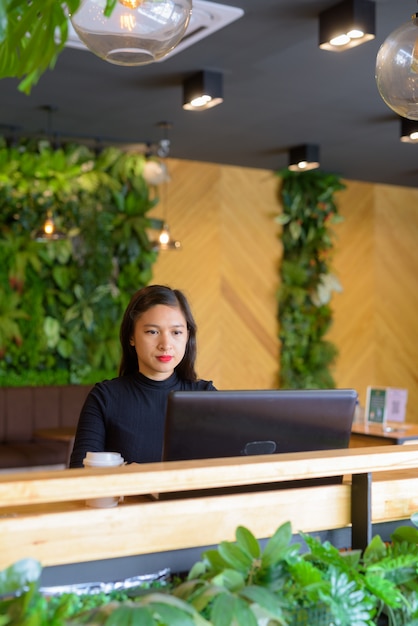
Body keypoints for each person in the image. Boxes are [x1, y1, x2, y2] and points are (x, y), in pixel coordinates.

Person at [69, 285, 216, 468]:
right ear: (131, 336)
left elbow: (227, 468)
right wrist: (127, 476)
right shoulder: (104, 398)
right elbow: (80, 473)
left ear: (187, 336)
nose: (165, 344)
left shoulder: (206, 396)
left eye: (176, 332)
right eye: (152, 332)